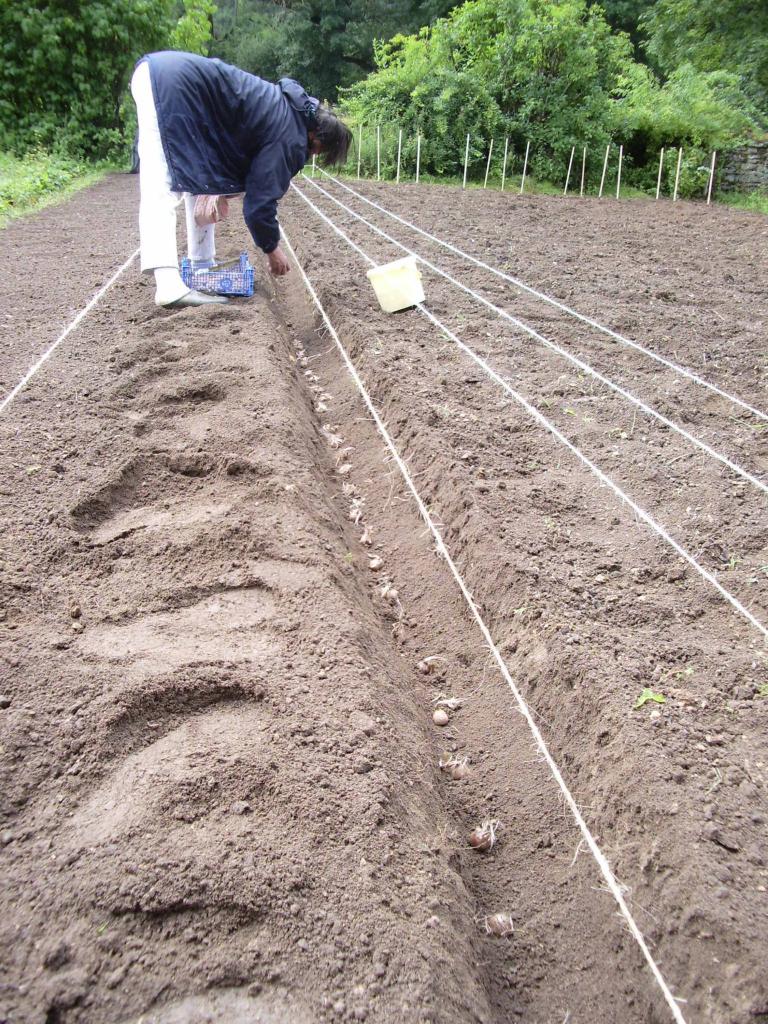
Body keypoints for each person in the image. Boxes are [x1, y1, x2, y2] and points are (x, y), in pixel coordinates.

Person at [130, 51, 351, 308]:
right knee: (161, 181)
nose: (313, 156)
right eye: (319, 152)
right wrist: (272, 249)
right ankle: (168, 284)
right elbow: (259, 204)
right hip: (171, 86)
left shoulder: (287, 111)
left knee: (197, 181)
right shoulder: (290, 136)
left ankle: (202, 269)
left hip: (166, 76)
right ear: (318, 138)